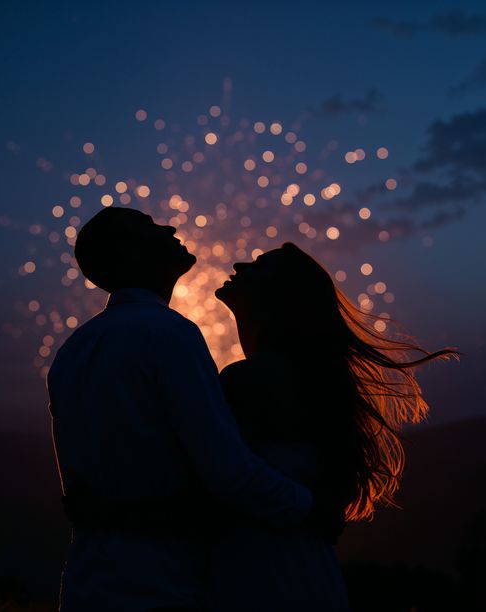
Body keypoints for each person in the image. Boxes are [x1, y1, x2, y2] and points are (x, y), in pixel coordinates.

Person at [47, 207, 316, 612]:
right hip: (160, 584)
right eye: (148, 227)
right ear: (129, 254)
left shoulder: (72, 351)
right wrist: (311, 509)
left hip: (88, 581)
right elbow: (228, 470)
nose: (169, 226)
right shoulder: (170, 334)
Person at [208, 242, 458, 612]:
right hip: (307, 574)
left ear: (279, 298)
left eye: (259, 267)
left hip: (263, 579)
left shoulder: (251, 381)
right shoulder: (309, 382)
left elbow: (215, 478)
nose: (240, 263)